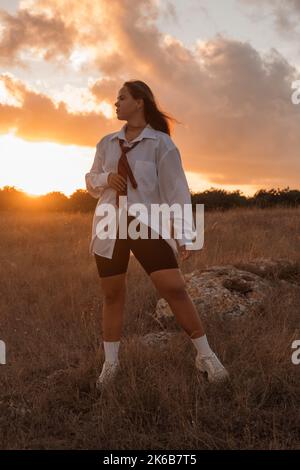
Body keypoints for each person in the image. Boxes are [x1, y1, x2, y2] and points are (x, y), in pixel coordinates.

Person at [85, 80, 229, 390]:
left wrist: (185, 235)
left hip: (146, 223)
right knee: (112, 294)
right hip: (110, 223)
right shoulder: (107, 143)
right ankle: (111, 363)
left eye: (121, 98)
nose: (116, 103)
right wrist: (107, 177)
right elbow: (90, 181)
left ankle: (205, 355)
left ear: (139, 102)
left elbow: (176, 191)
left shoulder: (161, 143)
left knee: (173, 287)